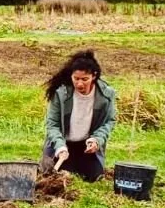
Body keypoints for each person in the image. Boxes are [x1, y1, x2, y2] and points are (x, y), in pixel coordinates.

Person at [41, 50, 117, 182]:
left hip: (86, 147)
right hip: (64, 144)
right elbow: (52, 124)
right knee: (53, 176)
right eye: (76, 79)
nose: (80, 84)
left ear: (94, 76)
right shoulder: (61, 93)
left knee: (94, 176)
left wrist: (96, 140)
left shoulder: (106, 95)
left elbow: (109, 121)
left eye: (84, 79)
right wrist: (60, 146)